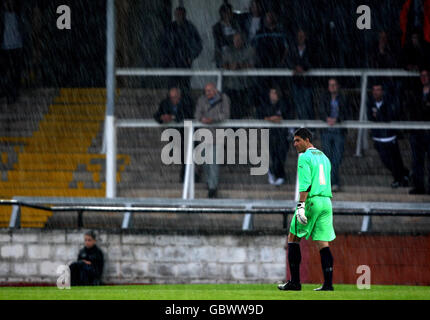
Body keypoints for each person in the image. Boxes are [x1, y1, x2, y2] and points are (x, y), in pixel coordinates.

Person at [278, 128, 335, 291]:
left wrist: (301, 206)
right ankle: (328, 284)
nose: (294, 144)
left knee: (293, 238)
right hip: (326, 202)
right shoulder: (324, 157)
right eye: (294, 141)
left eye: (297, 140)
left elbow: (305, 185)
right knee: (323, 243)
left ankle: (295, 282)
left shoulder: (304, 158)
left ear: (307, 140)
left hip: (311, 201)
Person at [367, 83, 410, 189]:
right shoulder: (370, 103)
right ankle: (404, 175)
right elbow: (370, 117)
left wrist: (379, 116)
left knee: (395, 160)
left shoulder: (388, 102)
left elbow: (390, 116)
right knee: (386, 161)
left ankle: (399, 179)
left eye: (378, 90)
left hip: (390, 137)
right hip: (378, 137)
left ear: (382, 91)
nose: (376, 92)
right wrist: (380, 117)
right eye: (374, 90)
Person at [194, 83, 230, 198]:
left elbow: (225, 115)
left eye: (209, 91)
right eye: (206, 91)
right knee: (205, 161)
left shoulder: (223, 99)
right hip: (204, 135)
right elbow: (197, 115)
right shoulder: (202, 100)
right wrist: (202, 119)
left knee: (213, 161)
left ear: (215, 90)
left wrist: (212, 119)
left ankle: (212, 187)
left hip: (217, 134)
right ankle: (210, 182)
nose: (207, 93)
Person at [154, 87, 194, 182]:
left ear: (179, 96)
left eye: (175, 97)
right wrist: (162, 118)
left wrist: (172, 117)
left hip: (185, 132)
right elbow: (156, 115)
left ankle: (185, 176)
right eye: (171, 97)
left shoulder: (186, 102)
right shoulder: (165, 103)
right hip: (173, 133)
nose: (173, 100)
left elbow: (188, 115)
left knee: (186, 153)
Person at [256, 86, 293, 186]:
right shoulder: (265, 104)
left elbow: (284, 117)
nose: (272, 95)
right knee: (274, 155)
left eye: (274, 93)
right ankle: (276, 173)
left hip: (282, 135)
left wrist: (274, 118)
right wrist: (270, 119)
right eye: (271, 93)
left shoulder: (284, 104)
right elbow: (261, 116)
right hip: (270, 134)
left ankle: (277, 173)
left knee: (281, 156)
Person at [162, 6, 203, 92]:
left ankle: (185, 103)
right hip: (172, 62)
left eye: (180, 14)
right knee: (172, 86)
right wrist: (166, 57)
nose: (178, 16)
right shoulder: (170, 28)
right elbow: (164, 44)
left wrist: (190, 57)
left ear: (184, 15)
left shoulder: (190, 28)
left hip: (184, 61)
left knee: (184, 86)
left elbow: (198, 44)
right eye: (176, 14)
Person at [319, 78, 350, 192]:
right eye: (330, 85)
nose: (332, 87)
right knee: (327, 157)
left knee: (337, 157)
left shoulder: (343, 98)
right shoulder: (324, 98)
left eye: (334, 85)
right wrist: (327, 118)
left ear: (338, 86)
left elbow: (347, 112)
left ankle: (332, 182)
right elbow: (321, 111)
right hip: (327, 130)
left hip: (339, 131)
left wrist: (337, 119)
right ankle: (332, 182)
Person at [406, 68, 430, 194]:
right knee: (417, 161)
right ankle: (419, 186)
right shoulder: (416, 93)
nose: (424, 78)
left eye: (426, 75)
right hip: (417, 131)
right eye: (422, 76)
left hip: (428, 130)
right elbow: (413, 109)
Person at [222, 32, 255, 118]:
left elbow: (251, 65)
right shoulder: (227, 50)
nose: (237, 42)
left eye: (239, 40)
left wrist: (239, 66)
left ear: (243, 40)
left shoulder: (249, 50)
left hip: (245, 86)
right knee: (230, 111)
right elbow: (224, 64)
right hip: (231, 86)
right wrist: (230, 66)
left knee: (243, 111)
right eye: (236, 40)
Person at [287, 29, 315, 120]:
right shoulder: (292, 48)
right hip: (296, 82)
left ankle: (310, 128)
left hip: (307, 83)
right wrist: (295, 67)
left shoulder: (311, 48)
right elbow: (288, 61)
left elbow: (314, 61)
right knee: (298, 106)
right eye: (299, 36)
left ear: (306, 37)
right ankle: (300, 126)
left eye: (302, 36)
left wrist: (304, 68)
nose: (300, 38)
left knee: (308, 106)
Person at [0, 0, 24, 104]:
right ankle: (9, 92)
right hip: (5, 47)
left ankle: (12, 93)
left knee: (15, 71)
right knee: (6, 71)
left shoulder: (18, 15)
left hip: (17, 46)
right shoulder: (3, 16)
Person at [212, 3, 241, 68]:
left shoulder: (236, 24)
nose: (229, 15)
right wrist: (232, 40)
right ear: (222, 14)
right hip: (224, 52)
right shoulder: (217, 27)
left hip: (237, 51)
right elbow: (219, 41)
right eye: (227, 12)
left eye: (230, 12)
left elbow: (240, 36)